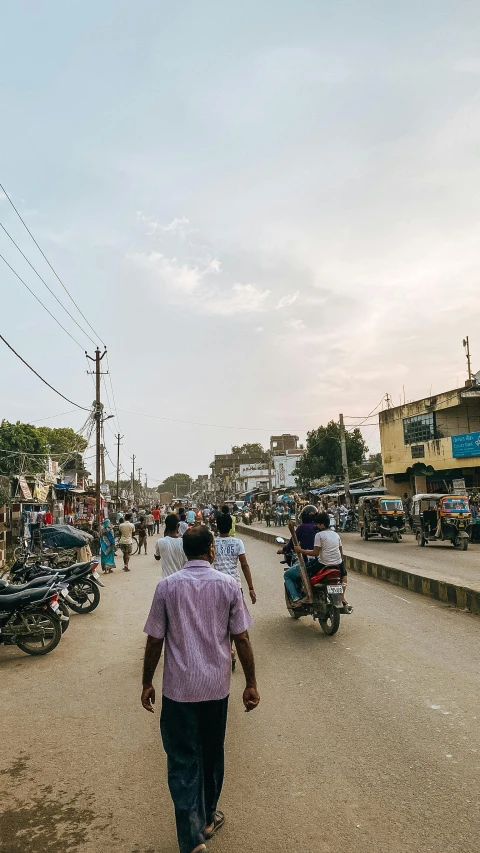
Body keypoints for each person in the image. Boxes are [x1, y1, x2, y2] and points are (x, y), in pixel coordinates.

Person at [142, 526, 259, 853]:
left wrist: (146, 681)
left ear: (183, 551)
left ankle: (193, 836)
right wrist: (250, 683)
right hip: (215, 689)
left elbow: (154, 639)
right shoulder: (228, 585)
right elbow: (242, 638)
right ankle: (207, 818)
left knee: (182, 760)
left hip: (179, 691)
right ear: (211, 551)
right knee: (211, 753)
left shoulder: (167, 587)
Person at [294, 512, 351, 610]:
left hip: (323, 564)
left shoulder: (319, 535)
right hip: (338, 563)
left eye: (317, 524)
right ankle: (342, 596)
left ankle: (308, 596)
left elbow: (315, 553)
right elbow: (341, 552)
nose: (316, 526)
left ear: (322, 525)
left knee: (303, 572)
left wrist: (300, 550)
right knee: (344, 575)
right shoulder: (336, 534)